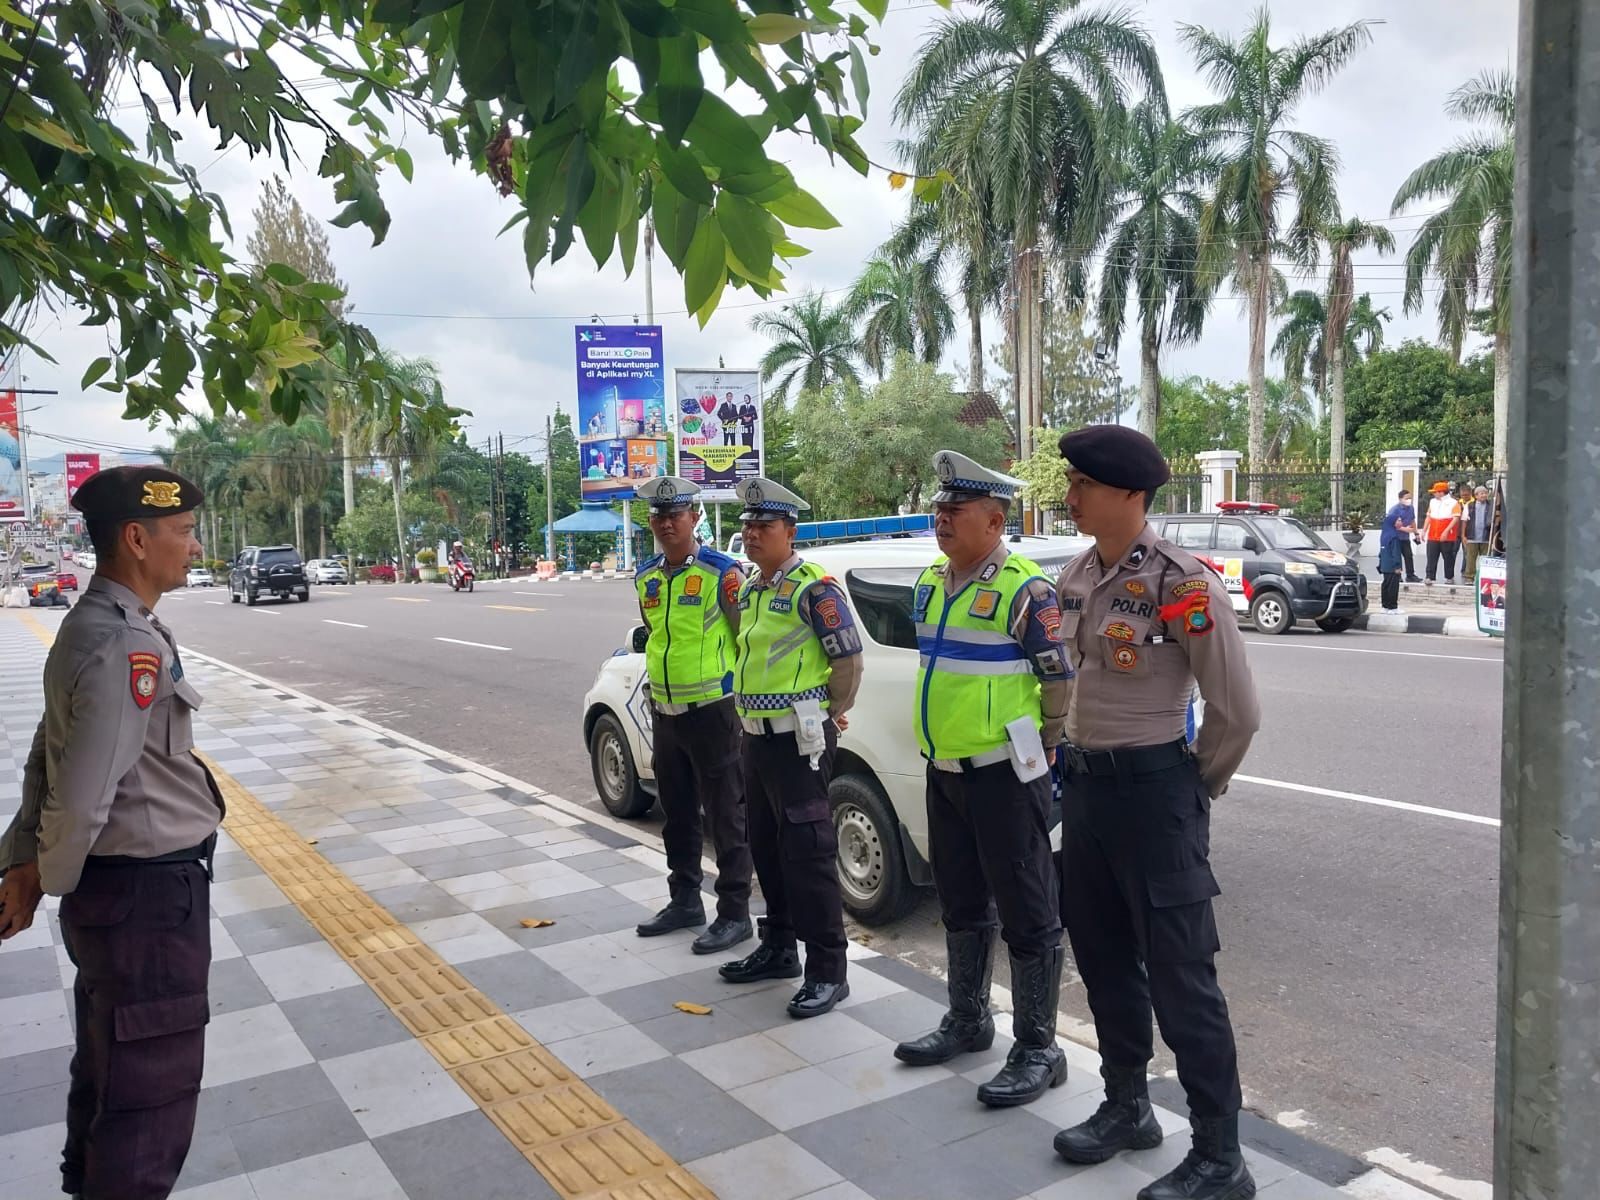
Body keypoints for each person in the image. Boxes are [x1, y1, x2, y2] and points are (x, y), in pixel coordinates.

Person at [0, 465, 224, 1200]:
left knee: (109, 1079)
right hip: (146, 904)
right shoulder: (123, 643)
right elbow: (83, 790)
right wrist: (43, 877)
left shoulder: (95, 625)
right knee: (149, 1103)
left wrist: (25, 860)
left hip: (123, 901)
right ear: (136, 538)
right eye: (184, 532)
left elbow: (49, 754)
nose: (195, 547)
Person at [1051, 427, 1262, 1200]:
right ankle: (1127, 1107)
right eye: (1072, 482)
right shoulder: (1077, 575)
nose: (1070, 495)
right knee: (1103, 960)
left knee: (1182, 980)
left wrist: (1187, 790)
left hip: (1154, 795)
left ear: (1131, 494)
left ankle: (1219, 1156)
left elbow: (1235, 712)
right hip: (1087, 794)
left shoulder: (1183, 583)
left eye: (1084, 483)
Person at [893, 451, 1074, 1108]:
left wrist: (1045, 746)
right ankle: (968, 1020)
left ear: (995, 521)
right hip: (944, 771)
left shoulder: (1026, 591)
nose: (942, 519)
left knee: (1028, 910)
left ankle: (1039, 1048)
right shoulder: (929, 585)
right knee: (961, 902)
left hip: (1004, 776)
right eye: (939, 509)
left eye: (956, 509)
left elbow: (1058, 679)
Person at [719, 477, 862, 1018]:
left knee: (809, 854)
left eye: (764, 525)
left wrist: (824, 713)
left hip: (799, 744)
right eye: (748, 525)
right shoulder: (751, 590)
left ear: (790, 532)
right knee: (766, 846)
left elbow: (848, 662)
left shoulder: (815, 589)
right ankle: (779, 947)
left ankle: (828, 969)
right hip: (755, 740)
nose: (753, 534)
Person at [632, 476, 755, 954]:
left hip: (714, 712)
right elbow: (653, 632)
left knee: (726, 817)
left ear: (694, 518)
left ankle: (735, 913)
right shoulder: (646, 576)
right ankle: (684, 899)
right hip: (666, 713)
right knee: (677, 813)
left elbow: (745, 637)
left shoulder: (722, 573)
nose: (667, 523)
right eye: (659, 516)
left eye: (675, 515)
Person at [1377, 491, 1418, 611]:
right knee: (1393, 586)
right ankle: (1392, 607)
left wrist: (1381, 565)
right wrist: (1397, 567)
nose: (1400, 522)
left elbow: (1381, 553)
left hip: (1385, 566)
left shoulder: (1385, 536)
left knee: (1386, 584)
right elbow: (1395, 554)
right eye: (1398, 520)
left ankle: (1385, 606)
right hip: (1393, 567)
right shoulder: (1393, 537)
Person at [1423, 480, 1462, 584]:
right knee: (1431, 556)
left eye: (1435, 492)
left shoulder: (1453, 503)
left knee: (1448, 557)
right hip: (1433, 534)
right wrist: (1424, 530)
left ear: (1441, 492)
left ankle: (1449, 576)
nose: (1433, 494)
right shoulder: (1432, 502)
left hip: (1447, 536)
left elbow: (1456, 518)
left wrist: (1446, 531)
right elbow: (1428, 516)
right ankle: (1429, 576)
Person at [1461, 485, 1492, 581]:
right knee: (1470, 559)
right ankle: (1470, 577)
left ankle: (1484, 578)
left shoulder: (1491, 505)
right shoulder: (1469, 505)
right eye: (1481, 493)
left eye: (1485, 493)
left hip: (1486, 537)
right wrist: (1463, 535)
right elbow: (1464, 521)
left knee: (1485, 559)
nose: (1484, 495)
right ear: (1476, 495)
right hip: (1472, 536)